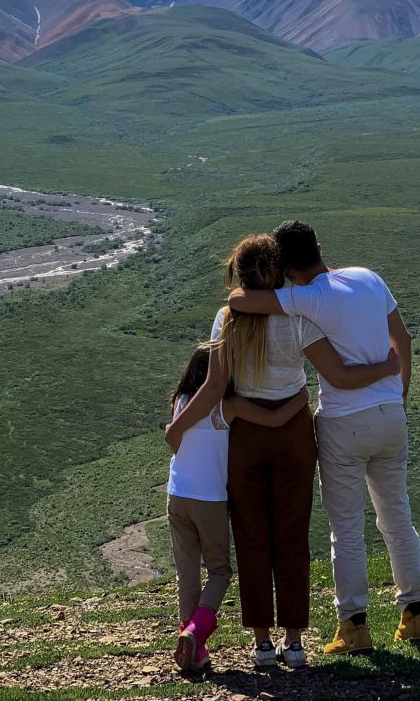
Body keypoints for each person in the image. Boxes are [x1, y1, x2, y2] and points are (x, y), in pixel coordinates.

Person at [166, 234, 401, 669]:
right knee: (292, 535)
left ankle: (261, 643)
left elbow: (215, 385)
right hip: (293, 430)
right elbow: (336, 371)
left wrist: (178, 426)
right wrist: (386, 368)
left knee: (252, 536)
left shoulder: (227, 317)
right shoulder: (297, 312)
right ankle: (294, 641)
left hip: (247, 436)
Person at [226, 220, 420, 655]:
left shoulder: (305, 299)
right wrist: (400, 392)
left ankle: (354, 626)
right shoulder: (368, 277)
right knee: (397, 518)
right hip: (391, 414)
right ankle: (415, 615)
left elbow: (240, 299)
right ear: (320, 247)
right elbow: (403, 338)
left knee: (348, 529)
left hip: (343, 422)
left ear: (287, 267)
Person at [165, 344, 309, 672]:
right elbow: (273, 419)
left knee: (186, 575)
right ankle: (195, 632)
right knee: (219, 571)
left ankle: (194, 652)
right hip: (210, 500)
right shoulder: (227, 406)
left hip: (176, 497)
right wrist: (301, 399)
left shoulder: (179, 403)